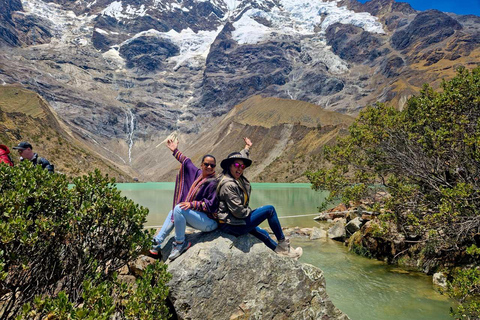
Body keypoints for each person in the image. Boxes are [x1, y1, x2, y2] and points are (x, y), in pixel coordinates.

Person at [216, 138, 303, 259]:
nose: (240, 168)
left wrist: (247, 147)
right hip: (232, 224)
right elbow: (238, 212)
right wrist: (252, 213)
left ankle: (284, 254)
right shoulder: (228, 184)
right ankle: (283, 243)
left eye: (242, 166)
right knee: (269, 210)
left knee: (262, 233)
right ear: (229, 166)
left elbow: (242, 156)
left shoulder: (235, 176)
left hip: (233, 222)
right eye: (236, 165)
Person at [150, 137, 219, 260]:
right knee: (174, 211)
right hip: (200, 218)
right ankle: (157, 242)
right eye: (206, 164)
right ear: (201, 165)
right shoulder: (198, 174)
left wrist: (192, 204)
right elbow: (186, 162)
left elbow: (211, 205)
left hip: (210, 222)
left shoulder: (213, 182)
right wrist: (175, 150)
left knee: (179, 209)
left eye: (212, 165)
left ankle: (181, 243)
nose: (209, 167)